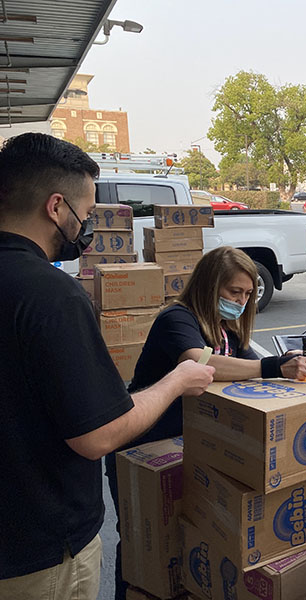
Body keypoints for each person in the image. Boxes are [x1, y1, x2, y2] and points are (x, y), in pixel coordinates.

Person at [0, 133, 215, 599]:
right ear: (56, 207)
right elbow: (98, 434)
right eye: (86, 212)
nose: (85, 226)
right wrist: (177, 380)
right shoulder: (48, 294)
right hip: (37, 555)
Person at [105, 245, 306, 600]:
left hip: (186, 450)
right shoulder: (177, 320)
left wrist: (291, 361)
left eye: (248, 294)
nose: (241, 301)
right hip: (141, 448)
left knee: (183, 542)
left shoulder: (227, 331)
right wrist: (271, 367)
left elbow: (254, 370)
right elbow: (201, 365)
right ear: (210, 286)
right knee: (139, 545)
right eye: (233, 292)